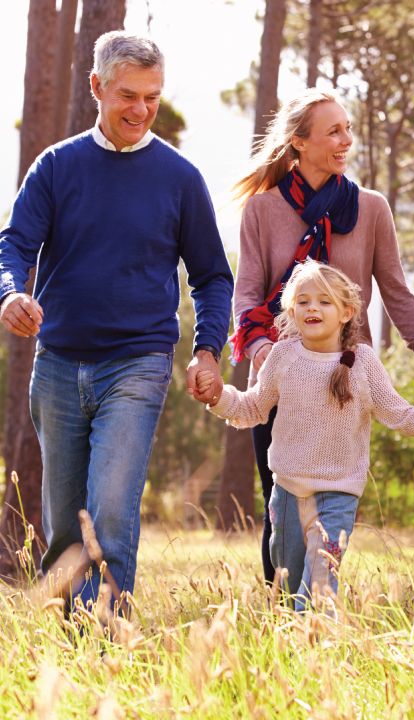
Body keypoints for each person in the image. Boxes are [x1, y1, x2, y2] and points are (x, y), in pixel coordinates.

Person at [0, 32, 233, 610]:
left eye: (152, 97)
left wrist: (208, 350)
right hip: (57, 365)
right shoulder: (56, 167)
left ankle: (106, 632)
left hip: (138, 361)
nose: (141, 109)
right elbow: (14, 245)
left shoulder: (180, 179)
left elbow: (211, 275)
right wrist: (9, 295)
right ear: (97, 87)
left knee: (108, 507)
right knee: (61, 519)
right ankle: (72, 638)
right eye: (128, 94)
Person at [230, 88, 414, 585]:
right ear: (299, 144)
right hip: (279, 379)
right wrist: (266, 354)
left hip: (345, 380)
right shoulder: (262, 210)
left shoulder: (370, 209)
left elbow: (395, 291)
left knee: (333, 505)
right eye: (334, 131)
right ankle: (283, 610)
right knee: (281, 505)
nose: (347, 140)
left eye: (348, 128)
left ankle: (318, 606)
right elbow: (247, 294)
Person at [200, 261, 414, 610]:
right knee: (291, 588)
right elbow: (252, 408)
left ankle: (317, 648)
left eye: (324, 301)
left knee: (319, 589)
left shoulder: (363, 364)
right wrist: (219, 397)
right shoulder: (282, 357)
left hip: (337, 497)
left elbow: (405, 418)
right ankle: (297, 653)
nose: (313, 308)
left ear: (346, 312)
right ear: (291, 310)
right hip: (288, 495)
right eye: (304, 301)